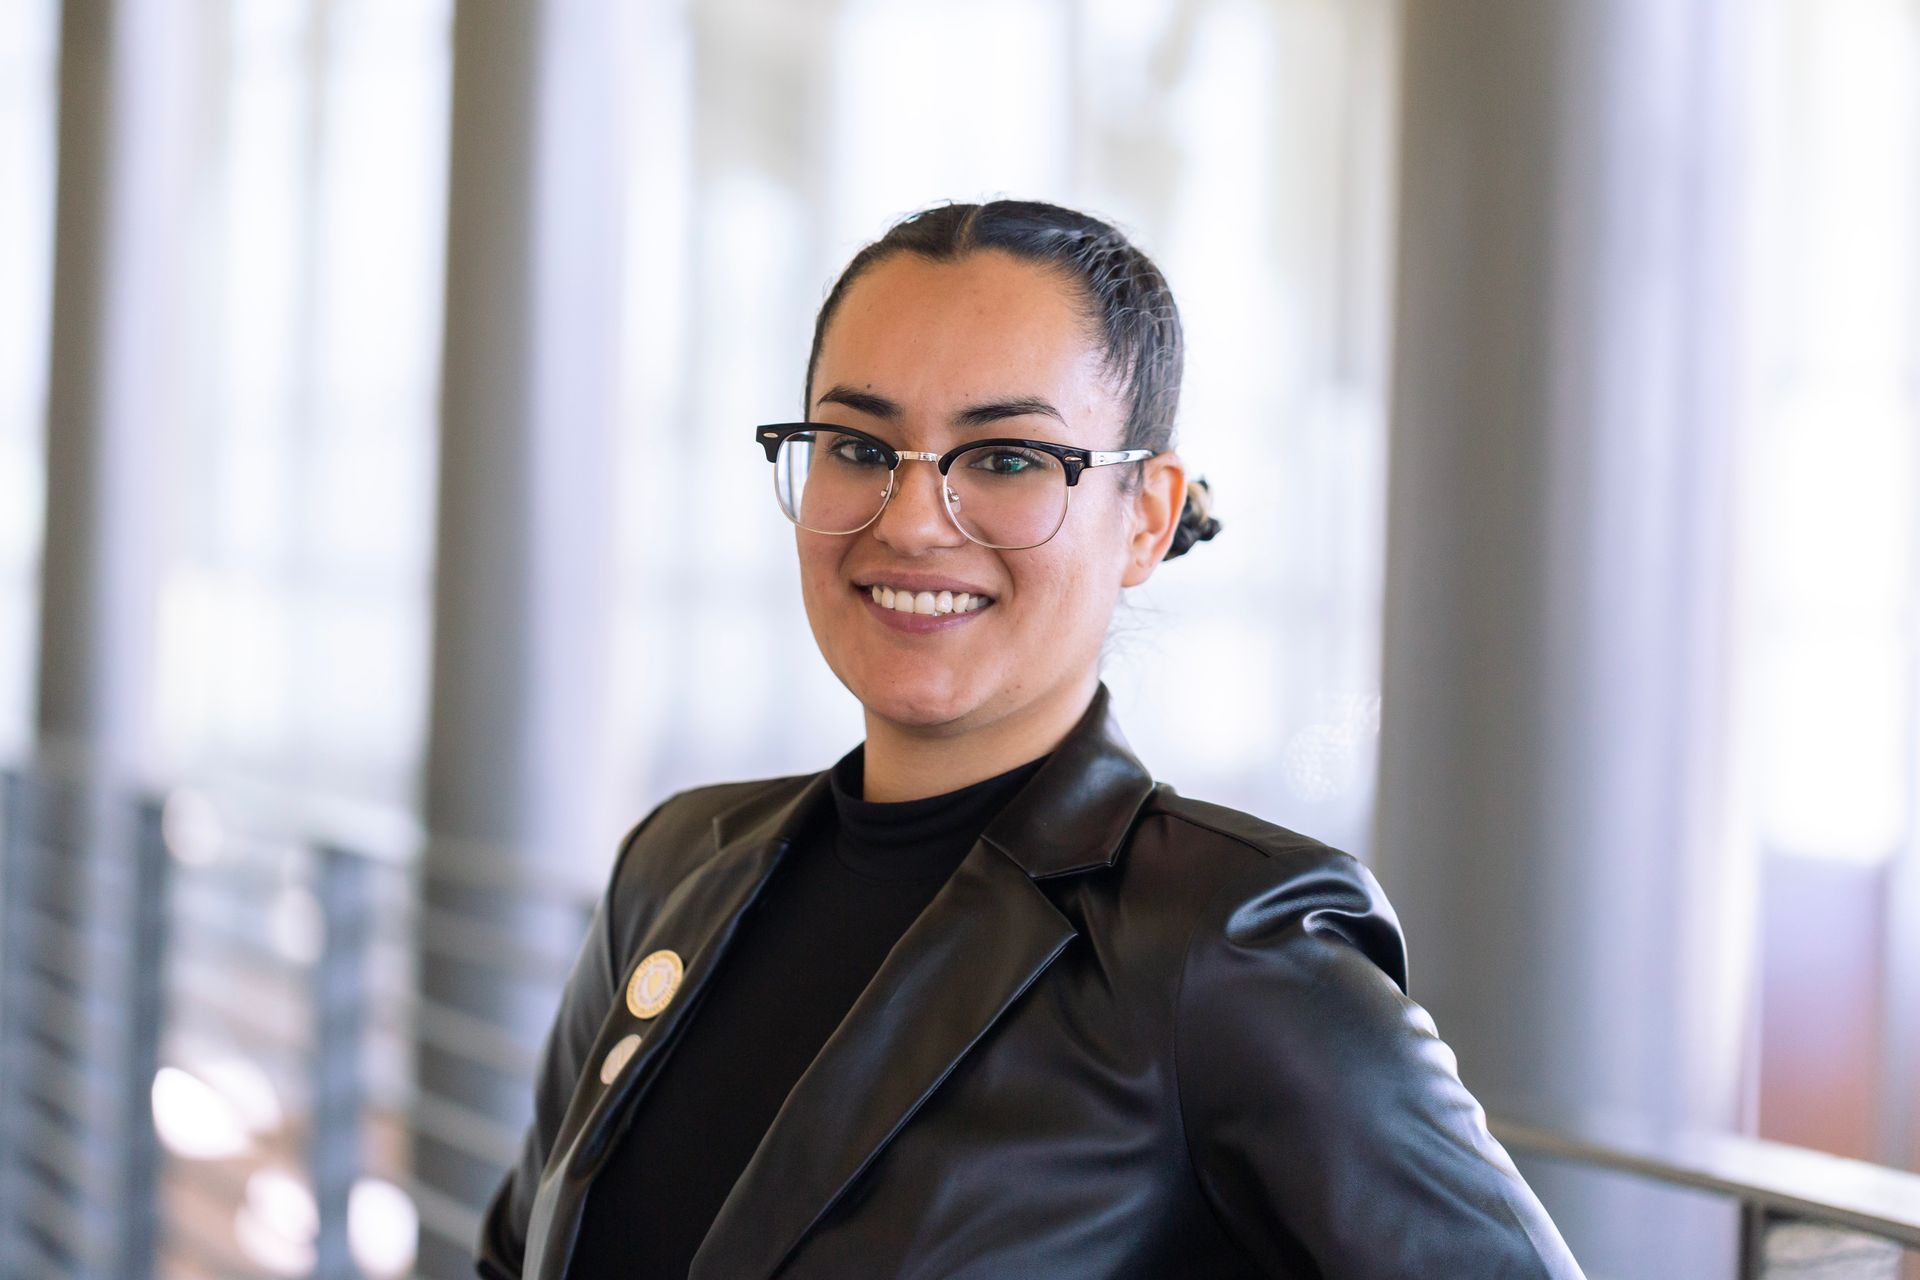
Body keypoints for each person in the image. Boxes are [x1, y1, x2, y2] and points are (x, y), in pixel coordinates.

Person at [475, 199, 1584, 1279]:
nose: (910, 520)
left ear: (1147, 515)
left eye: (1005, 459)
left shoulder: (1227, 949)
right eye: (860, 445)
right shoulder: (678, 863)